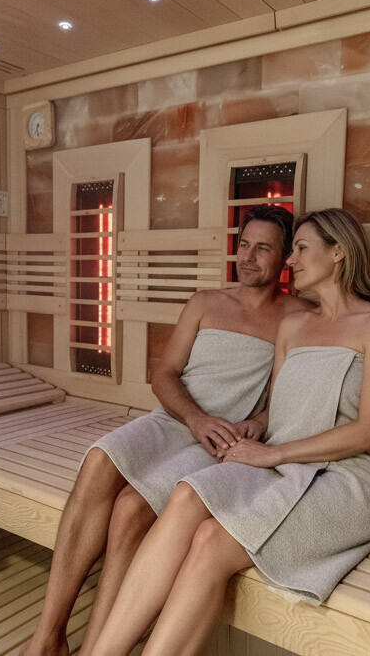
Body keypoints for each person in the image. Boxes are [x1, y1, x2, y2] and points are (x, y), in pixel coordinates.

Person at [83, 208, 370, 656]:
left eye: (300, 248)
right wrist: (256, 428)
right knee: (187, 493)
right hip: (284, 463)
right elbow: (278, 408)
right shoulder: (294, 326)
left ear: (338, 252)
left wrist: (272, 454)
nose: (290, 260)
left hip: (346, 477)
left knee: (211, 541)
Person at [21, 205, 311, 656]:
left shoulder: (297, 318)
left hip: (222, 440)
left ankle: (97, 647)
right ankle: (47, 639)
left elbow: (287, 402)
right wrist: (195, 418)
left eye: (263, 248)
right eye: (244, 245)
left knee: (131, 509)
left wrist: (256, 424)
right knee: (98, 459)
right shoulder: (206, 303)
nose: (248, 257)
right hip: (177, 419)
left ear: (285, 258)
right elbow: (164, 375)